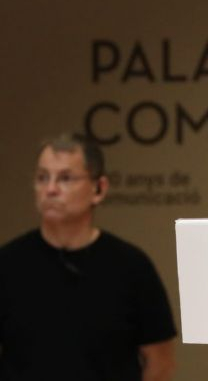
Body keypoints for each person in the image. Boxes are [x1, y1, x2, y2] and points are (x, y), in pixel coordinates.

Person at [0, 134, 177, 381]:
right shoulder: (8, 264)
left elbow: (160, 363)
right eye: (42, 177)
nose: (50, 189)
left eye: (65, 178)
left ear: (99, 188)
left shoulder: (131, 267)